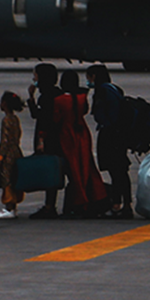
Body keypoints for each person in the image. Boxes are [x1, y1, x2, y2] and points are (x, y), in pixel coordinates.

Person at [55, 70, 110, 218]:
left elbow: (56, 119)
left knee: (74, 169)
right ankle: (96, 198)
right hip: (82, 133)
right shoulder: (81, 98)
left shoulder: (59, 100)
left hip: (67, 135)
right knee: (86, 166)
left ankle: (79, 201)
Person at [86, 64, 132, 219]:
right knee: (121, 171)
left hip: (110, 134)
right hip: (121, 134)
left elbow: (100, 114)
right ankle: (126, 204)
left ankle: (117, 204)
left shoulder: (101, 91)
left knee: (115, 171)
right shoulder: (115, 88)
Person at [26, 63, 62, 219]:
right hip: (58, 136)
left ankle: (49, 206)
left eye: (36, 76)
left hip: (48, 137)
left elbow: (40, 117)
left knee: (50, 171)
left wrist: (31, 98)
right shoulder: (58, 93)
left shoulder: (45, 97)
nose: (34, 79)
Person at [0, 91, 25, 219]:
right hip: (16, 151)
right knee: (14, 178)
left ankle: (9, 206)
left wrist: (1, 156)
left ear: (5, 104)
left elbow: (4, 140)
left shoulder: (6, 120)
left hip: (8, 154)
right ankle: (13, 206)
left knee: (6, 179)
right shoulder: (15, 119)